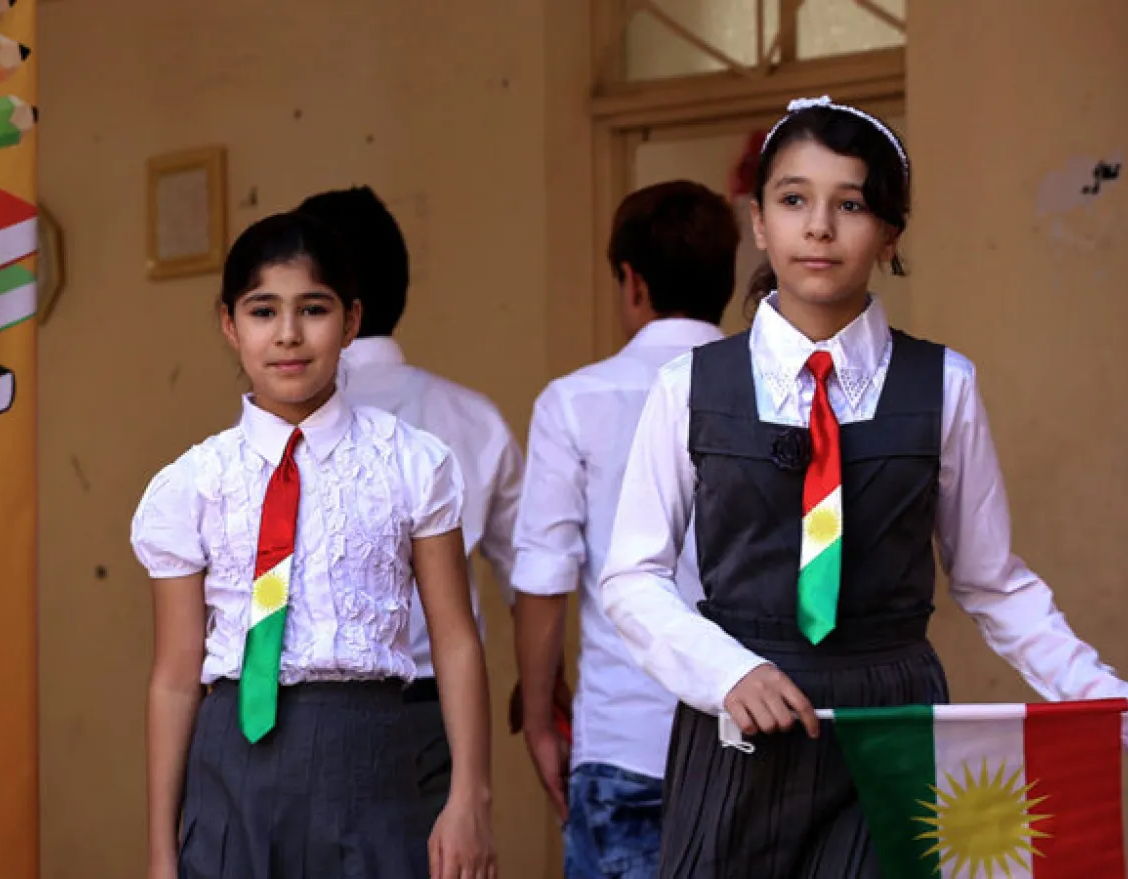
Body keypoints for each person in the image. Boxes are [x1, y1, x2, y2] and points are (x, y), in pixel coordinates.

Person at [598, 96, 1128, 878]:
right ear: (759, 223)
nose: (819, 227)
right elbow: (630, 577)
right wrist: (725, 670)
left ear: (890, 235)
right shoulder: (688, 386)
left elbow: (994, 583)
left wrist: (1119, 707)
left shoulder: (946, 385)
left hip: (895, 729)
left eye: (851, 204)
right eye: (794, 199)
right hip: (738, 722)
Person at [130, 211, 497, 879]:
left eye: (314, 309)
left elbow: (454, 637)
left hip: (373, 757)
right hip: (231, 762)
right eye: (263, 310)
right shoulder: (191, 485)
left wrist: (469, 794)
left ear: (352, 322)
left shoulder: (410, 462)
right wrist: (160, 851)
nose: (289, 334)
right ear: (229, 324)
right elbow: (176, 676)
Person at [510, 180, 738, 879]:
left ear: (631, 282)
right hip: (750, 739)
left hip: (622, 743)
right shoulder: (774, 395)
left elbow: (544, 583)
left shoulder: (573, 403)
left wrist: (545, 725)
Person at [296, 185, 534, 829]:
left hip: (301, 721)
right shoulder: (472, 419)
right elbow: (533, 575)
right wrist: (543, 690)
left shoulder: (279, 428)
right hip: (434, 725)